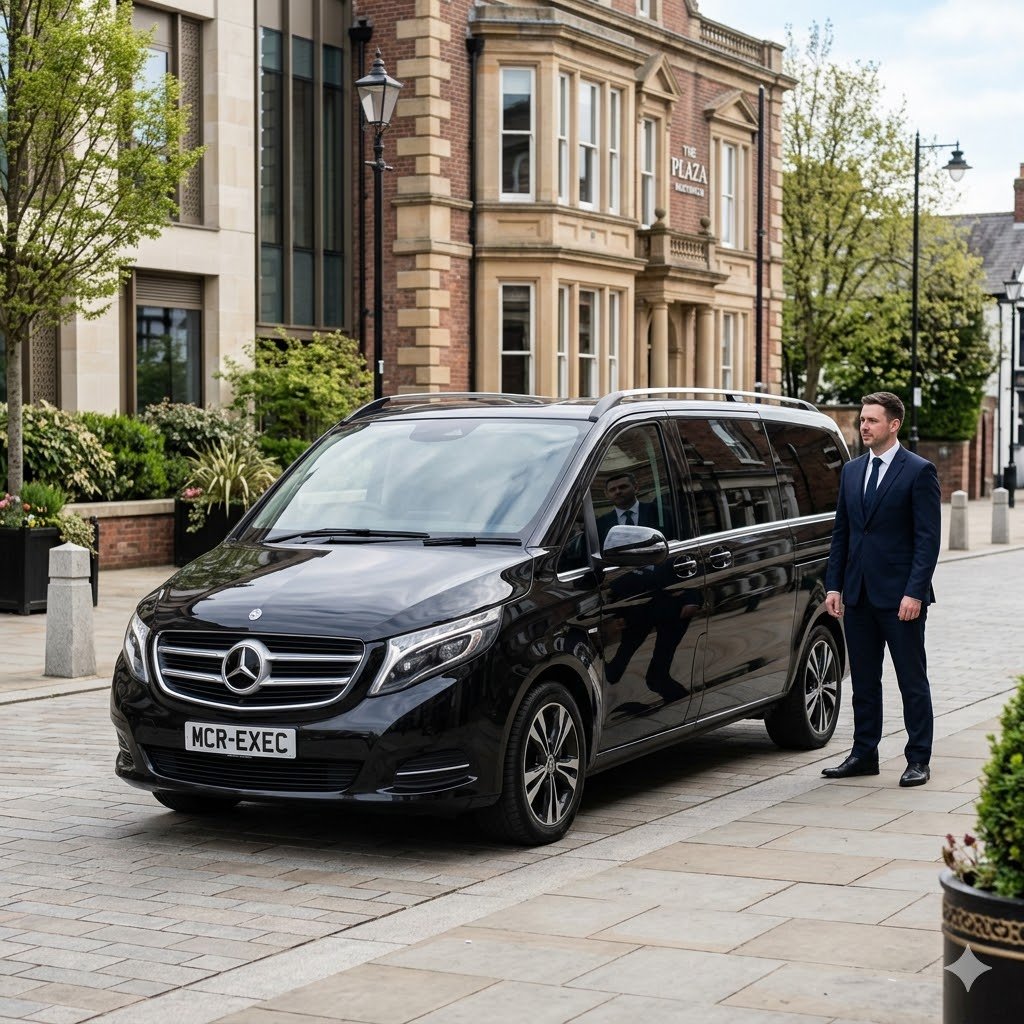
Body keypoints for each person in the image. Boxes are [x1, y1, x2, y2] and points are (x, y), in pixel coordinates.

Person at [822, 391, 941, 787]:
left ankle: (918, 758)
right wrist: (834, 585)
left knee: (911, 679)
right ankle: (863, 753)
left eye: (872, 420)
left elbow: (928, 540)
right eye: (861, 420)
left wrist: (914, 592)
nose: (864, 426)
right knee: (865, 681)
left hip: (900, 598)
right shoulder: (852, 471)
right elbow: (842, 533)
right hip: (857, 595)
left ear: (894, 425)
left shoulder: (919, 471)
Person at [596, 471, 661, 543]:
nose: (617, 492)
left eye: (623, 487)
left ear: (636, 488)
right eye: (612, 490)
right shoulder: (600, 524)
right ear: (607, 495)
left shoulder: (659, 512)